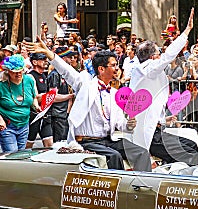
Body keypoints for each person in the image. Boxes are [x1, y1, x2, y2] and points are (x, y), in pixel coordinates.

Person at [24, 39, 152, 171]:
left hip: (108, 141)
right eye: (113, 65)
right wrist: (49, 53)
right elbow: (66, 71)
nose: (117, 69)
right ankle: (118, 189)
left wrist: (129, 125)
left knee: (142, 152)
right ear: (101, 69)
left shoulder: (114, 93)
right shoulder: (85, 85)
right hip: (87, 142)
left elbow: (120, 123)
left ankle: (143, 185)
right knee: (114, 156)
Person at [129, 8, 198, 165]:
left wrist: (163, 119)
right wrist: (187, 31)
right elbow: (169, 55)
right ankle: (188, 180)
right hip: (150, 136)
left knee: (190, 145)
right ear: (153, 57)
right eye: (159, 53)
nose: (161, 55)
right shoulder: (147, 69)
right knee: (190, 148)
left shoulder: (143, 71)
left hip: (156, 129)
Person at [0, 54, 40, 152]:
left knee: (21, 154)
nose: (18, 74)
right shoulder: (2, 84)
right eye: (14, 72)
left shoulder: (29, 80)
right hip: (8, 125)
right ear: (8, 71)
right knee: (12, 155)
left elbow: (33, 97)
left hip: (24, 124)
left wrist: (36, 106)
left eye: (20, 71)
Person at [47, 47, 76, 142]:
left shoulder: (68, 74)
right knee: (60, 143)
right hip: (59, 115)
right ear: (63, 59)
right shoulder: (55, 75)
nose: (72, 59)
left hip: (67, 114)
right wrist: (71, 96)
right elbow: (52, 97)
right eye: (69, 57)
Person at [25, 53, 53, 149]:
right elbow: (35, 97)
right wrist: (50, 96)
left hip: (45, 114)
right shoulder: (30, 76)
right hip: (34, 115)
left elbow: (47, 94)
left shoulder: (44, 76)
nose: (45, 61)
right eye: (42, 59)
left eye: (46, 59)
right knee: (28, 144)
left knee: (49, 144)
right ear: (34, 62)